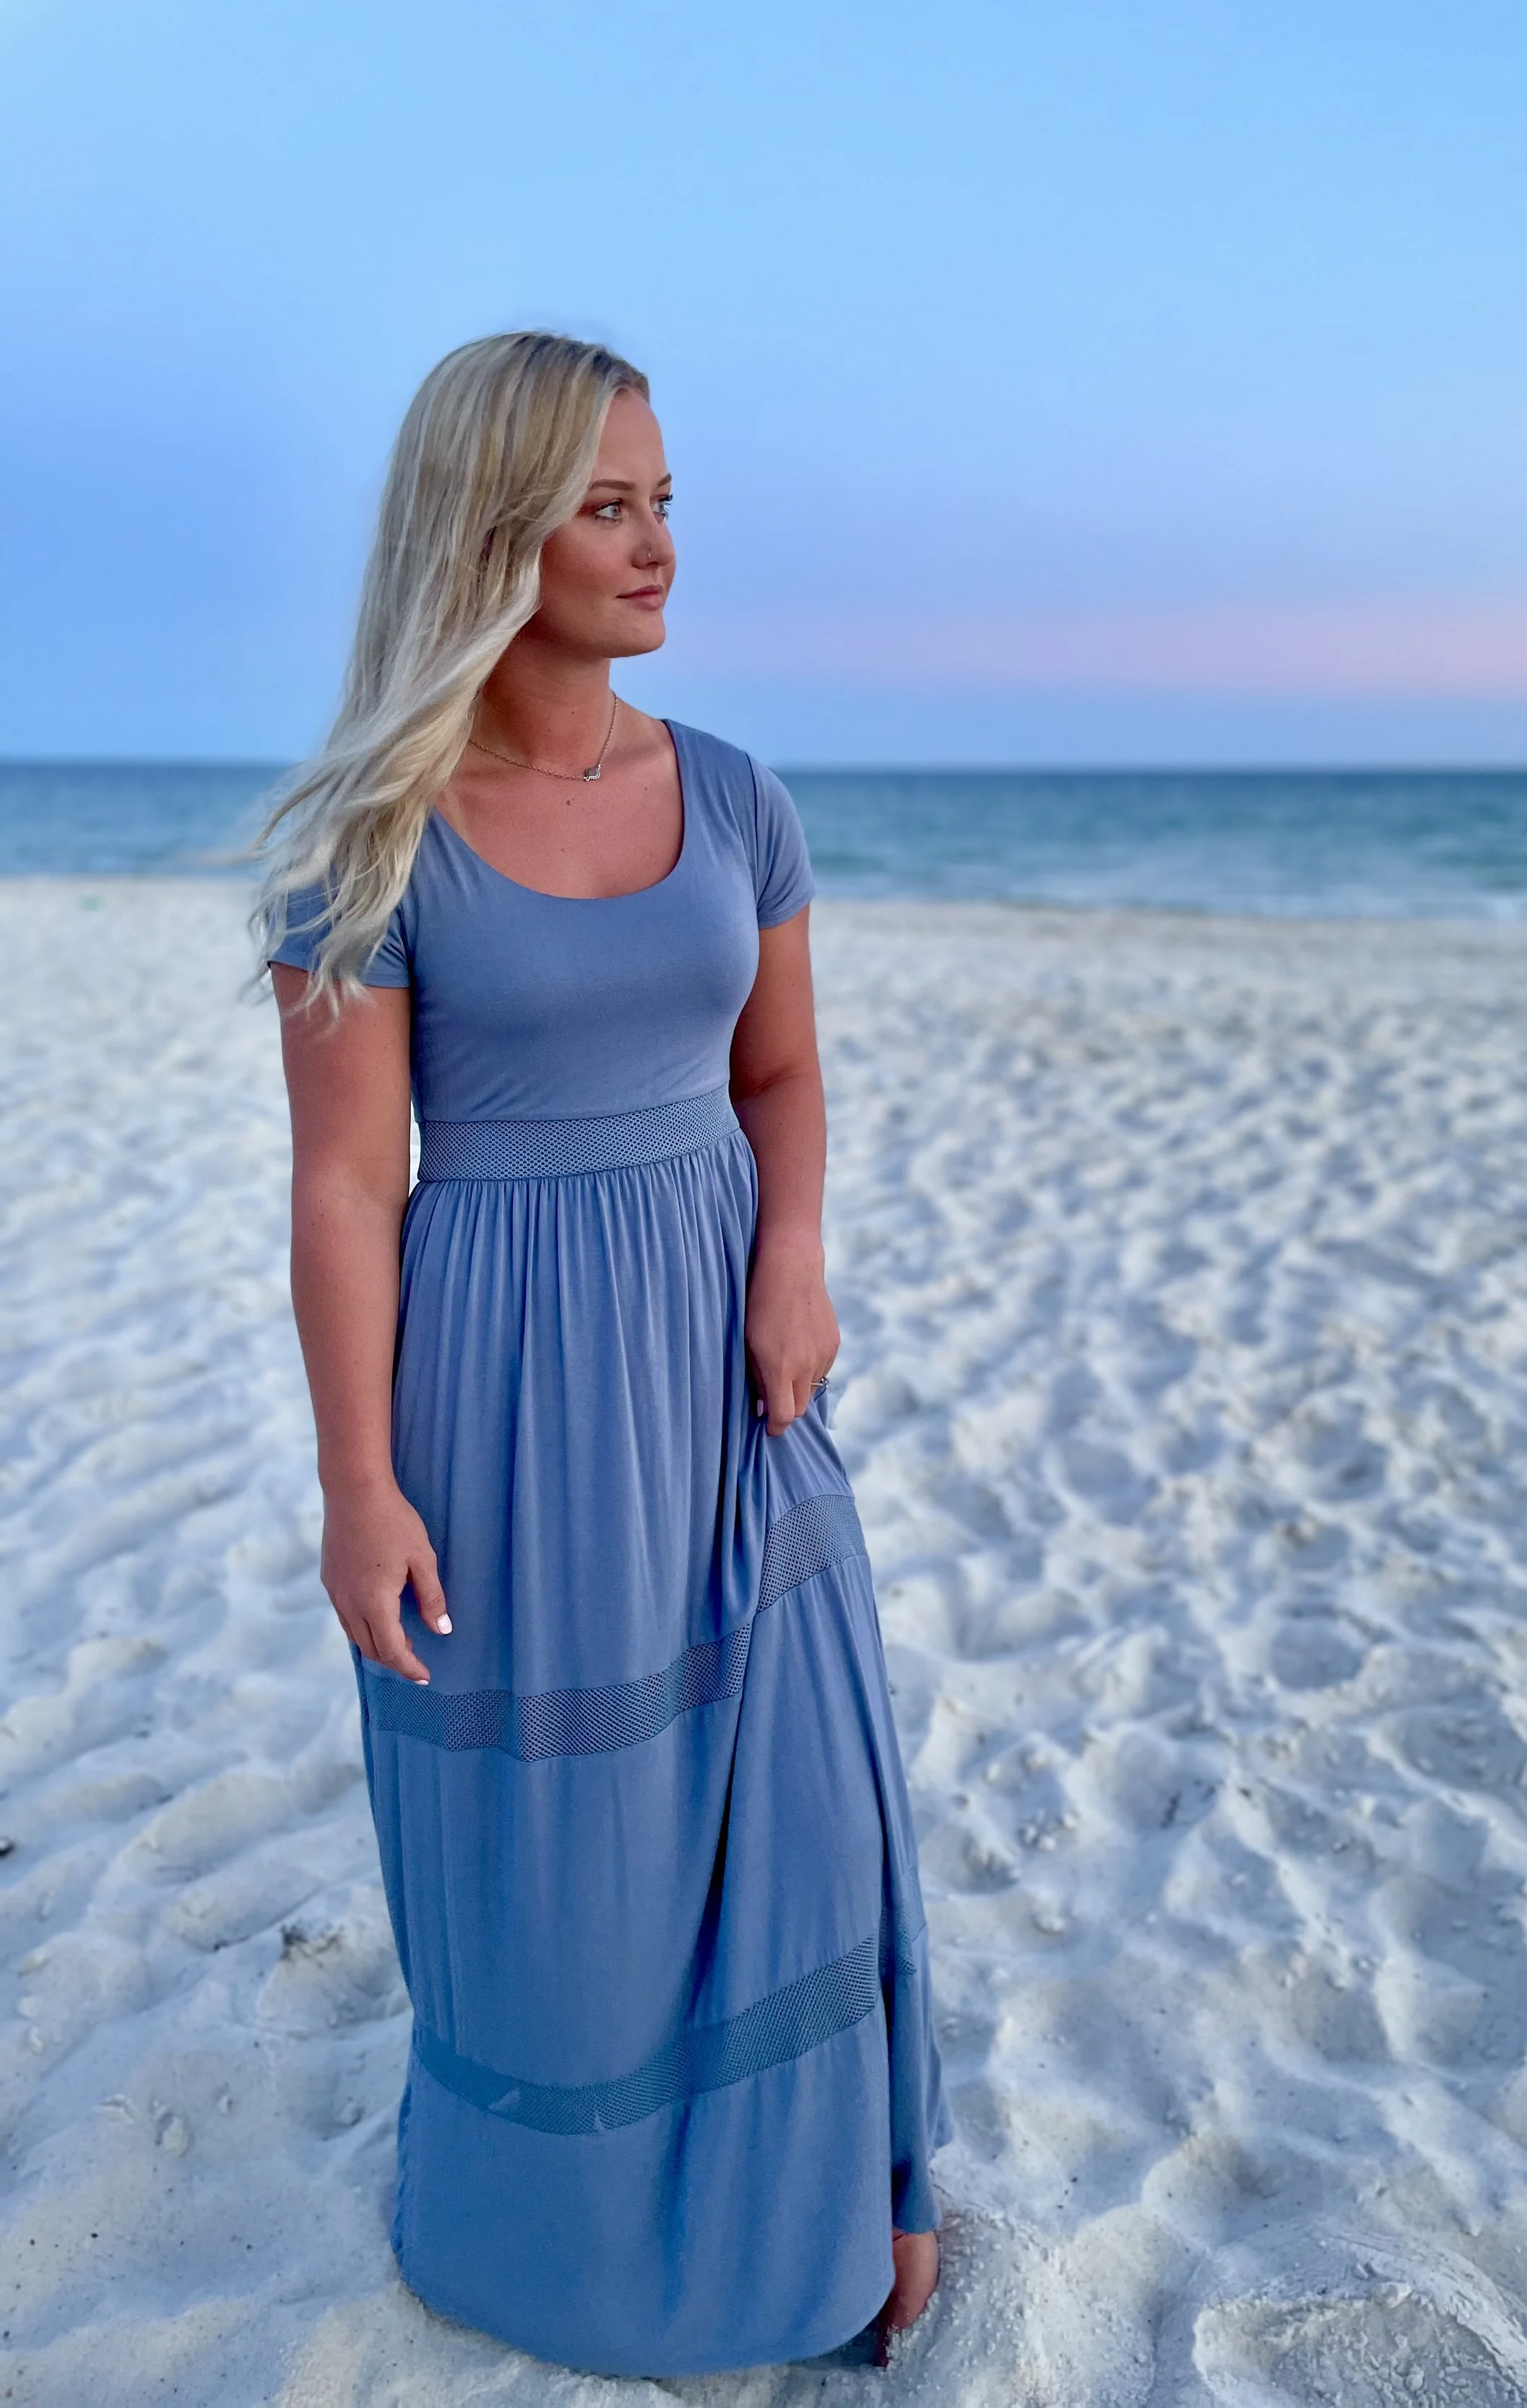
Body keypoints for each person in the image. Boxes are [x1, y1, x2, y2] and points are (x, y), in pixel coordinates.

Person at [255, 331, 951, 2377]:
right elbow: (340, 1186)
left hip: (734, 1374)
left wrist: (794, 1252)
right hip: (505, 1388)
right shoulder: (372, 829)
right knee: (566, 1858)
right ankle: (563, 2257)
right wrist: (359, 1481)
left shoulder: (732, 792)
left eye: (666, 500)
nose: (657, 545)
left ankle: (841, 2214)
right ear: (496, 527)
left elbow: (785, 1064)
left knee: (807, 1794)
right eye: (609, 504)